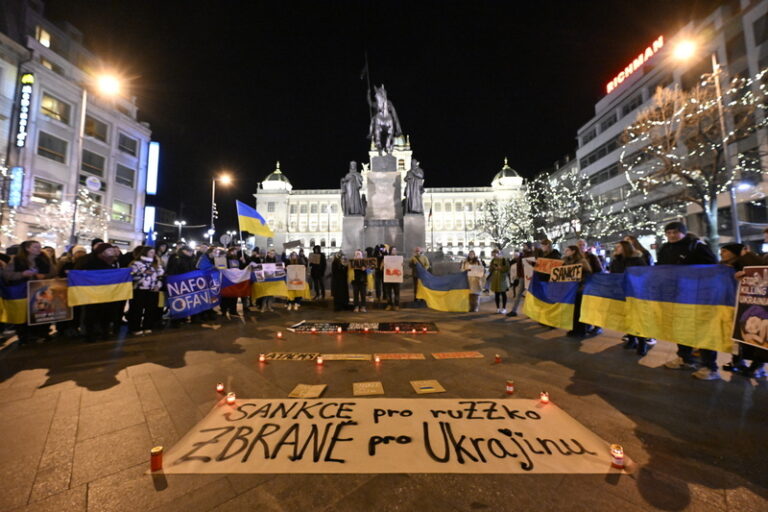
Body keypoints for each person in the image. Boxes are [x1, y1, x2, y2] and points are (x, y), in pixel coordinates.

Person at [656, 221, 719, 379]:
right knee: (680, 327)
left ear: (683, 232)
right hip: (676, 294)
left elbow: (712, 267)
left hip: (698, 295)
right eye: (668, 233)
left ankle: (709, 366)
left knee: (702, 328)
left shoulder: (696, 246)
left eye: (675, 232)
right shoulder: (665, 248)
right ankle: (685, 358)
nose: (671, 235)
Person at [719, 243, 767, 378]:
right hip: (734, 304)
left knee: (756, 336)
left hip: (753, 305)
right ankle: (737, 362)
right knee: (738, 336)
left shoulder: (749, 261)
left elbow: (759, 274)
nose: (722, 254)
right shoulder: (724, 265)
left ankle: (757, 366)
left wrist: (745, 257)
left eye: (725, 251)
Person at [2, 240, 54, 344]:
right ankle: (24, 336)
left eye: (39, 247)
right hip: (21, 291)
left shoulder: (44, 259)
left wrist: (45, 276)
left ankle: (41, 333)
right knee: (23, 315)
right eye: (35, 247)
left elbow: (53, 271)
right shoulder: (16, 260)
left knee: (39, 312)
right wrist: (22, 274)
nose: (39, 249)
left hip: (40, 291)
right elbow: (7, 275)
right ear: (27, 248)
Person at [609, 240, 652, 355]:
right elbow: (613, 275)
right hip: (622, 292)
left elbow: (645, 274)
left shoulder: (637, 260)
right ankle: (632, 340)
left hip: (636, 293)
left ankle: (642, 343)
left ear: (625, 248)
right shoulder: (615, 261)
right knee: (626, 317)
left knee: (638, 318)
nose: (616, 249)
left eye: (618, 247)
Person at [75, 243, 123, 341]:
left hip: (107, 293)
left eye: (112, 250)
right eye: (109, 250)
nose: (112, 252)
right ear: (102, 252)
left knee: (106, 314)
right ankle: (89, 335)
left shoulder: (113, 262)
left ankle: (105, 333)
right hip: (92, 293)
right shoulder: (90, 262)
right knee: (91, 314)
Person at [127, 246, 164, 334]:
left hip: (152, 289)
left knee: (150, 309)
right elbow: (131, 276)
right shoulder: (136, 263)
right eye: (151, 252)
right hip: (139, 289)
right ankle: (135, 328)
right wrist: (143, 273)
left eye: (154, 252)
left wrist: (158, 285)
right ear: (145, 252)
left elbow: (160, 276)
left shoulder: (155, 264)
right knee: (137, 309)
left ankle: (147, 326)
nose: (153, 254)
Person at [562, 245, 593, 338]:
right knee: (573, 310)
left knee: (579, 310)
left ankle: (581, 330)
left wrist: (581, 277)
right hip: (570, 289)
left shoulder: (582, 261)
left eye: (567, 250)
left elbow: (589, 273)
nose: (565, 252)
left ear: (573, 251)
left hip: (580, 289)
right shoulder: (565, 261)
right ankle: (574, 328)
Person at [508, 244, 534, 317]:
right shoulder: (522, 255)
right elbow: (519, 266)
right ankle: (514, 310)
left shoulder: (533, 254)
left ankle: (530, 312)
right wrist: (519, 275)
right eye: (523, 246)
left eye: (525, 246)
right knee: (518, 294)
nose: (524, 247)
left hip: (531, 277)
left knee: (530, 295)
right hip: (523, 277)